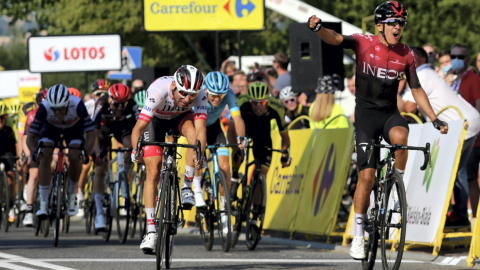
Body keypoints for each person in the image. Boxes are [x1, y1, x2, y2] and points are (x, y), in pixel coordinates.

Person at [307, 1, 448, 259]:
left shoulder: (407, 54)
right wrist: (318, 29)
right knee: (367, 178)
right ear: (380, 25)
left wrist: (434, 118)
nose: (398, 27)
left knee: (402, 137)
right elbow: (336, 38)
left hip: (388, 114)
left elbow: (415, 89)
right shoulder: (364, 42)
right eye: (393, 22)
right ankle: (359, 235)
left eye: (401, 23)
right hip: (365, 117)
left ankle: (397, 187)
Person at [131, 65, 207, 254]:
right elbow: (139, 128)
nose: (188, 98)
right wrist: (136, 150)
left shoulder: (200, 95)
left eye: (192, 94)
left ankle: (187, 186)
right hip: (156, 122)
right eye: (183, 93)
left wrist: (201, 154)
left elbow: (201, 130)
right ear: (174, 85)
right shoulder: (157, 92)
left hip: (181, 118)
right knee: (154, 171)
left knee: (193, 137)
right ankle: (150, 231)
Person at [404, 47, 480, 227]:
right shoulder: (425, 73)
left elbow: (408, 108)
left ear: (421, 60)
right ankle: (458, 214)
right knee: (457, 170)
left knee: (454, 171)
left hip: (462, 125)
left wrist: (397, 87)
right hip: (464, 123)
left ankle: (460, 215)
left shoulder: (421, 74)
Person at [228, 82, 292, 231]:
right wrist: (234, 148)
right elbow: (231, 130)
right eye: (255, 103)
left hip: (263, 137)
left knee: (261, 173)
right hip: (244, 132)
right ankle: (235, 178)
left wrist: (285, 154)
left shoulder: (277, 107)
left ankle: (255, 214)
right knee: (238, 154)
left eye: (262, 102)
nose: (258, 106)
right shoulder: (241, 103)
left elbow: (285, 137)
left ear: (267, 101)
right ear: (249, 100)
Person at [27, 84, 96, 219]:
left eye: (61, 108)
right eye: (55, 109)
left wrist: (86, 153)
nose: (58, 112)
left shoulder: (77, 104)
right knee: (44, 154)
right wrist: (35, 152)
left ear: (68, 103)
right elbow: (30, 137)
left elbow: (91, 134)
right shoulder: (44, 107)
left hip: (73, 129)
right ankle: (44, 202)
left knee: (75, 156)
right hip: (50, 128)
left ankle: (71, 195)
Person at [193, 71, 246, 233]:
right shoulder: (198, 93)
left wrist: (241, 138)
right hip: (196, 125)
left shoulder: (229, 94)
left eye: (220, 96)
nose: (217, 100)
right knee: (196, 150)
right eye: (214, 96)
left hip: (215, 128)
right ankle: (196, 188)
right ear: (206, 90)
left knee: (225, 167)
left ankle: (224, 210)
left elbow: (237, 118)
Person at [91, 83, 138, 230]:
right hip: (103, 130)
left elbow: (139, 127)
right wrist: (98, 154)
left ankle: (124, 174)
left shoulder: (132, 103)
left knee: (132, 146)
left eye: (122, 105)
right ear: (110, 99)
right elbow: (93, 132)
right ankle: (99, 214)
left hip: (121, 128)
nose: (119, 108)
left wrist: (137, 150)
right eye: (116, 104)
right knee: (100, 169)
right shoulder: (101, 103)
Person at [449, 43, 480, 226]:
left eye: (460, 57)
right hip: (459, 138)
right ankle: (465, 214)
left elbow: (478, 106)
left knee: (468, 177)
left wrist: (475, 132)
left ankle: (472, 218)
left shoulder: (473, 79)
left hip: (472, 138)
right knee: (463, 176)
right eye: (454, 56)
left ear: (467, 59)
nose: (456, 60)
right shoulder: (454, 81)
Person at [77, 79, 111, 218]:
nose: (102, 96)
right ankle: (79, 194)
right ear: (92, 94)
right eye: (98, 94)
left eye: (105, 93)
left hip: (102, 136)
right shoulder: (88, 105)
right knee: (86, 166)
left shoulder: (109, 104)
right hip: (88, 137)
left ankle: (101, 194)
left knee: (103, 167)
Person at [22, 89, 48, 226]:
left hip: (49, 141)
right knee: (34, 173)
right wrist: (29, 155)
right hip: (35, 142)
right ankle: (29, 211)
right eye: (40, 105)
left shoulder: (55, 114)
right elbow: (26, 138)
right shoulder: (32, 115)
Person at [0, 102, 22, 223]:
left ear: (6, 117)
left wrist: (18, 158)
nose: (0, 121)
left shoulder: (11, 123)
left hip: (8, 148)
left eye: (2, 118)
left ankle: (11, 204)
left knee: (10, 176)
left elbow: (17, 141)